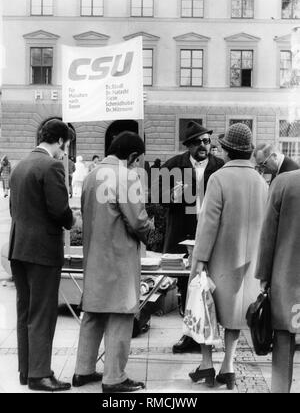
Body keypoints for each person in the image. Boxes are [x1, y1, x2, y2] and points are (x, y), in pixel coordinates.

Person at [188, 123, 268, 390]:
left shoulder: (219, 178)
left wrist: (199, 258)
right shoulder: (260, 181)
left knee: (205, 308)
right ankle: (229, 367)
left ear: (226, 150)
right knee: (236, 314)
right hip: (249, 263)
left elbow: (208, 224)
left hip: (219, 260)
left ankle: (207, 365)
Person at [73, 131, 152, 393]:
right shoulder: (127, 176)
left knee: (93, 313)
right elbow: (138, 221)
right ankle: (114, 377)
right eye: (137, 160)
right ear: (131, 156)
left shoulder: (91, 175)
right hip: (119, 258)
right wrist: (149, 228)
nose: (137, 165)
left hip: (93, 255)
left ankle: (83, 370)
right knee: (121, 314)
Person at [8, 119, 74, 391]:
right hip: (43, 251)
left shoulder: (20, 165)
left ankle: (26, 371)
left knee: (25, 311)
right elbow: (59, 210)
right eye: (65, 146)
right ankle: (40, 375)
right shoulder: (52, 166)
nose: (64, 152)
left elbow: (16, 208)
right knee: (43, 313)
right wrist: (73, 221)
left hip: (19, 248)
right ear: (60, 141)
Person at [157, 120, 224, 354]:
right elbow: (158, 199)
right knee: (187, 285)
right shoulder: (172, 165)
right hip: (183, 233)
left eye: (207, 141)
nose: (204, 146)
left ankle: (208, 336)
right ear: (188, 146)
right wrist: (170, 196)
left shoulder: (220, 166)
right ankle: (189, 335)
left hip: (210, 234)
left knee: (211, 284)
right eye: (198, 142)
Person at [255, 169, 300, 393]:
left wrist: (264, 275)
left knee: (284, 338)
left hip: (287, 277)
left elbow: (268, 234)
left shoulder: (284, 182)